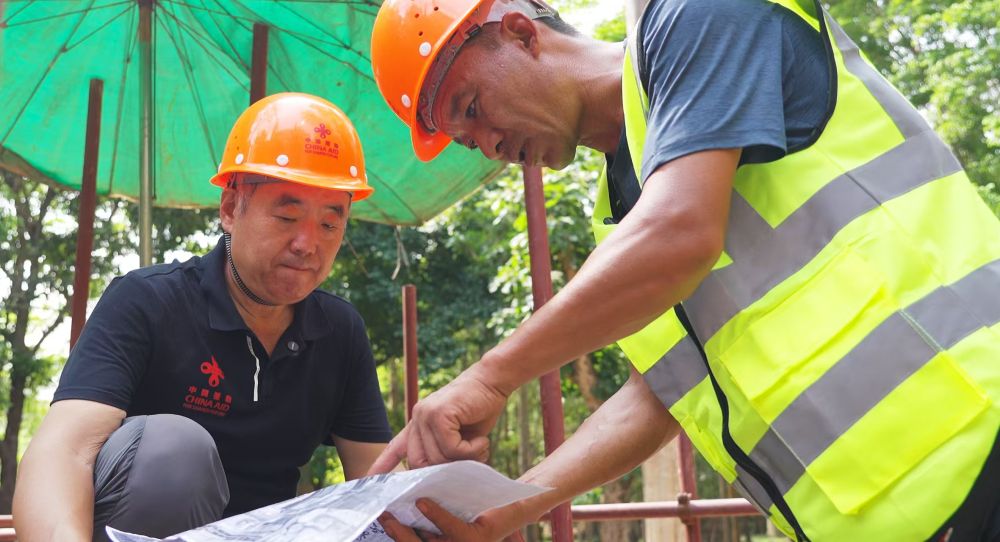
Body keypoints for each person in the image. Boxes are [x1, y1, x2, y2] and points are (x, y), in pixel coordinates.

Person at [367, 0, 1000, 539]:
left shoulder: (693, 17)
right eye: (468, 141)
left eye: (472, 106)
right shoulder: (622, 212)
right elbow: (660, 395)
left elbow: (682, 232)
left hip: (982, 446)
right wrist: (507, 508)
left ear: (520, 33)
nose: (489, 144)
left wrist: (490, 376)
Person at [13, 93, 394, 541]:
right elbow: (65, 452)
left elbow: (379, 483)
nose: (308, 244)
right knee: (175, 452)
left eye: (329, 224)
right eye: (287, 216)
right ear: (231, 209)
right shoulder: (147, 301)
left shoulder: (340, 332)